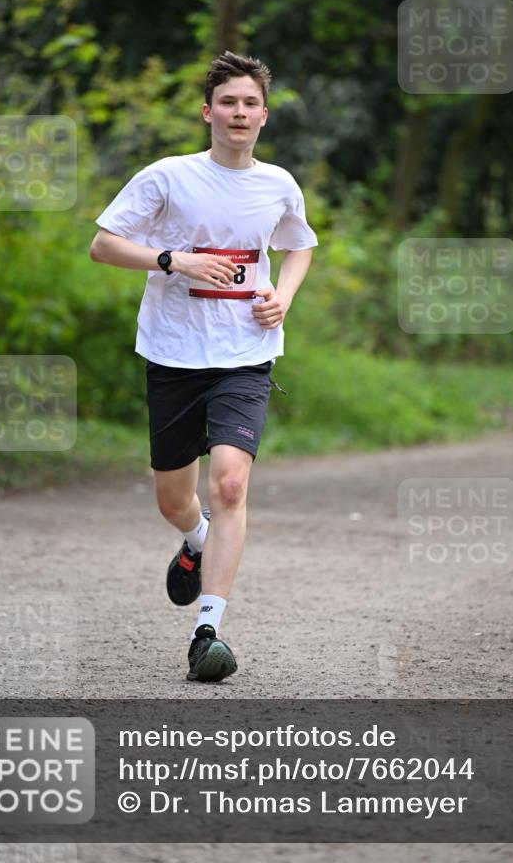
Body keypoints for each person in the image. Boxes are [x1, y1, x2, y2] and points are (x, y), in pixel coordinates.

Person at [89, 52, 317, 680]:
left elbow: (298, 247)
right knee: (174, 498)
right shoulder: (168, 176)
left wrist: (284, 297)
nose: (238, 113)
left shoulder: (278, 185)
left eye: (249, 104)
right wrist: (173, 260)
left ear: (264, 115)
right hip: (173, 352)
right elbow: (103, 243)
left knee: (231, 485)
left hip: (245, 355)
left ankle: (207, 632)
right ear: (208, 111)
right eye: (228, 103)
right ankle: (194, 539)